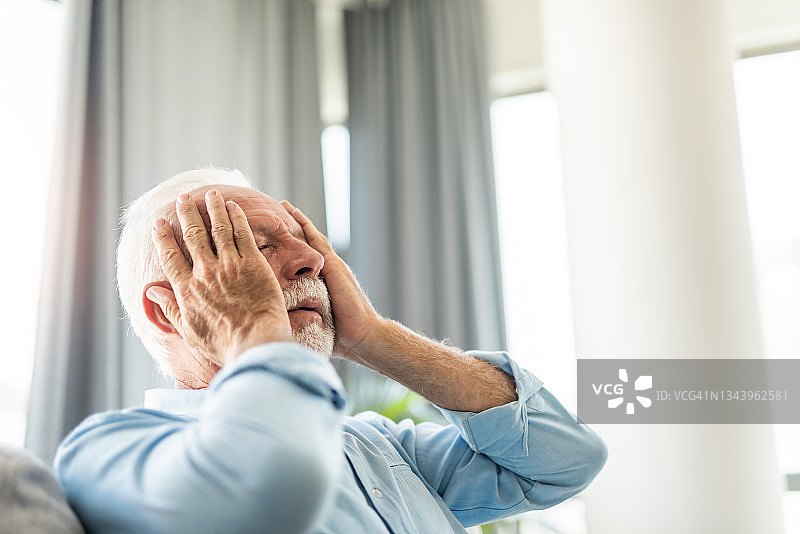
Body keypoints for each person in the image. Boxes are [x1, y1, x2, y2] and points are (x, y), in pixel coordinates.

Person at [54, 168, 607, 533]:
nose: (313, 263)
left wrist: (372, 337)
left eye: (309, 244)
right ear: (168, 309)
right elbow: (264, 484)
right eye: (257, 248)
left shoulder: (377, 447)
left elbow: (565, 460)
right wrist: (251, 326)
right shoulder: (108, 450)